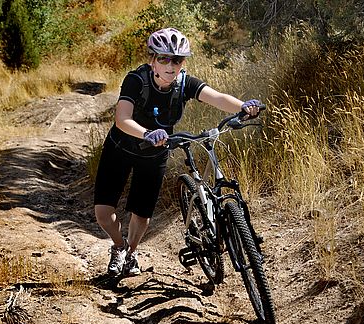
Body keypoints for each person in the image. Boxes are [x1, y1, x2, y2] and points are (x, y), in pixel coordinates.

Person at [94, 27, 261, 277]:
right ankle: (118, 247)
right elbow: (121, 118)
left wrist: (243, 106)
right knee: (104, 214)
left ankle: (130, 254)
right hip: (121, 148)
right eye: (164, 58)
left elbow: (217, 97)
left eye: (177, 59)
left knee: (142, 214)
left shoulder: (184, 83)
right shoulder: (136, 80)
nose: (171, 65)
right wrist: (147, 133)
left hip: (155, 153)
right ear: (153, 60)